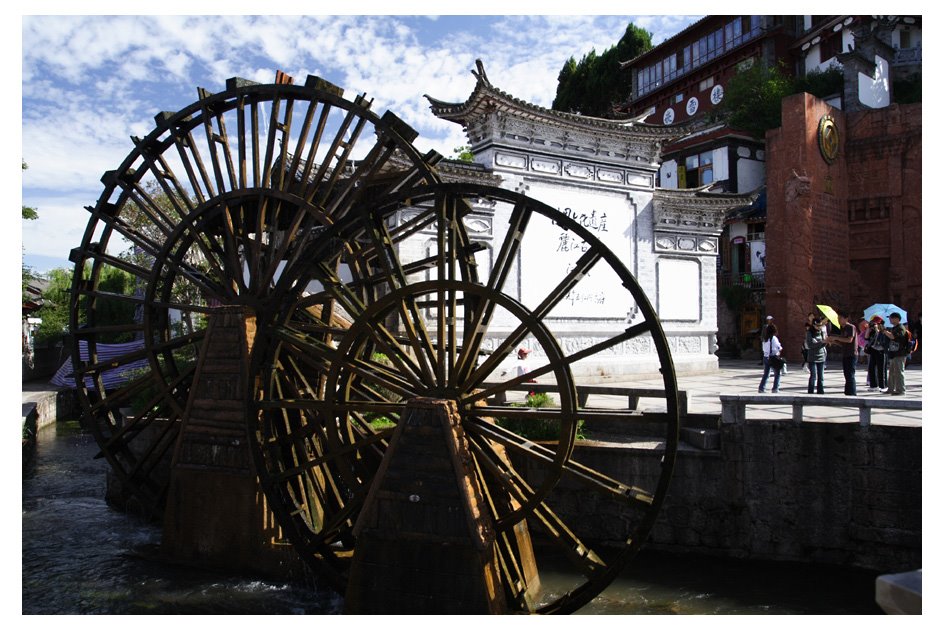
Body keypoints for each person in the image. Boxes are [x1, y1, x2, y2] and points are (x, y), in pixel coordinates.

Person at [828, 311, 858, 396]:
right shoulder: (842, 328)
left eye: (840, 318)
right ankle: (847, 392)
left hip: (851, 354)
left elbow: (849, 340)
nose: (838, 320)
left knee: (850, 374)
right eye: (838, 318)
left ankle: (852, 393)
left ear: (846, 319)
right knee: (846, 374)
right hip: (845, 353)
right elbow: (843, 343)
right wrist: (833, 341)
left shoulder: (850, 327)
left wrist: (835, 337)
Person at [883, 312, 909, 395]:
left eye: (891, 318)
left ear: (897, 319)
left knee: (899, 372)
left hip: (900, 353)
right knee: (892, 372)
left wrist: (885, 331)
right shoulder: (894, 328)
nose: (890, 319)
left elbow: (893, 337)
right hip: (894, 353)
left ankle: (901, 390)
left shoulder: (901, 328)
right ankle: (891, 389)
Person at [865, 315, 888, 392]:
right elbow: (866, 337)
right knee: (871, 368)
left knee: (881, 369)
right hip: (873, 350)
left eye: (876, 323)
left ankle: (883, 386)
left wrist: (879, 331)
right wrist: (868, 329)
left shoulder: (884, 331)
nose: (874, 325)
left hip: (881, 351)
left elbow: (884, 341)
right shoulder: (872, 331)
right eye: (873, 323)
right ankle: (874, 385)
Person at [758, 323, 783, 393]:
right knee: (777, 373)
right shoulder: (774, 338)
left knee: (766, 373)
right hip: (773, 357)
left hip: (766, 357)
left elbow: (764, 349)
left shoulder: (765, 339)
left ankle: (761, 388)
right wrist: (779, 351)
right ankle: (775, 388)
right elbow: (778, 347)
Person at [806, 316, 828, 394]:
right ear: (814, 325)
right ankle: (810, 392)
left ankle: (820, 391)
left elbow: (822, 344)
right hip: (812, 357)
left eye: (820, 325)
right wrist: (821, 342)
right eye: (818, 325)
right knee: (813, 376)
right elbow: (810, 345)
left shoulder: (822, 332)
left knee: (821, 377)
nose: (819, 327)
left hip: (821, 356)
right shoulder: (809, 333)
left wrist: (825, 341)